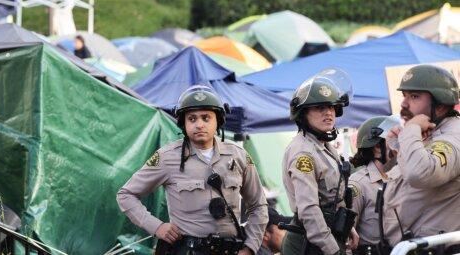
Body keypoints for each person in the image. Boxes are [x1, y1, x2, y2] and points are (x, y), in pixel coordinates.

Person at [116, 85, 268, 255]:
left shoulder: (238, 156)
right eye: (192, 119)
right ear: (184, 123)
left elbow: (259, 205)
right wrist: (157, 227)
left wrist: (250, 248)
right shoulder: (167, 157)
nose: (199, 125)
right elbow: (126, 195)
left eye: (206, 118)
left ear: (218, 120)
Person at [382, 65, 460, 250]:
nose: (404, 104)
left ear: (440, 106)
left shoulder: (454, 137)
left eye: (414, 96)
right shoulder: (432, 133)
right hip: (410, 246)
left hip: (437, 249)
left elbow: (420, 174)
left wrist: (410, 130)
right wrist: (399, 145)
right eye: (405, 96)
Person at [281, 72, 359, 255]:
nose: (329, 113)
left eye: (332, 107)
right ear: (304, 114)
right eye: (319, 108)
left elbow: (334, 198)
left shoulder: (324, 147)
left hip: (325, 238)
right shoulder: (303, 153)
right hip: (308, 245)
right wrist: (332, 249)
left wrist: (349, 228)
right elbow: (309, 211)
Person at [348, 117, 392, 254]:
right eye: (395, 142)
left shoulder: (401, 179)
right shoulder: (358, 185)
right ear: (378, 148)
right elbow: (346, 242)